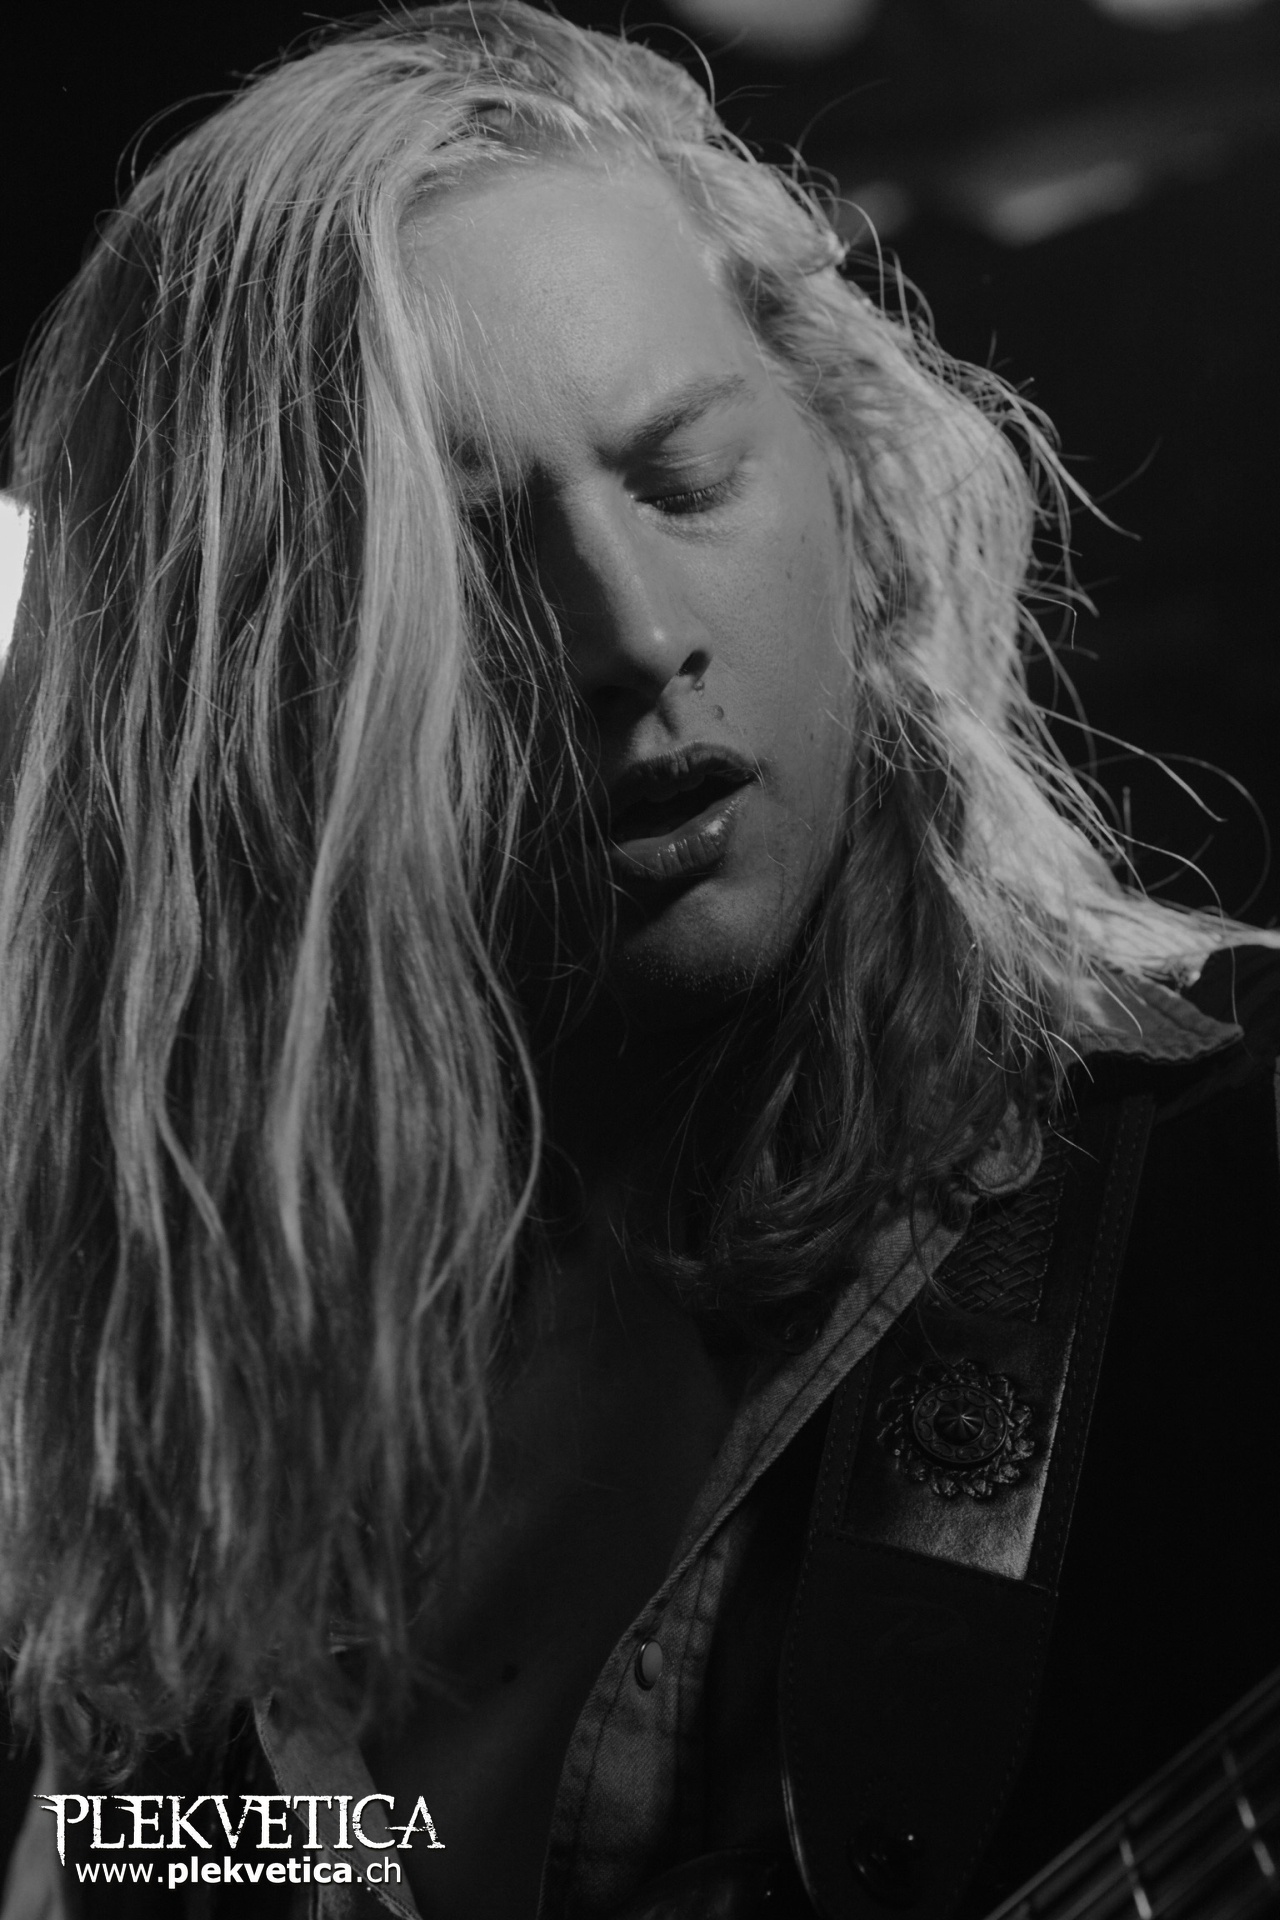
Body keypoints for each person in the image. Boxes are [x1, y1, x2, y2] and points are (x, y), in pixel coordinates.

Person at [1, 6, 1277, 1917]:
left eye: (682, 481)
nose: (628, 631)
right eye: (465, 560)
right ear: (245, 723)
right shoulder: (181, 1462)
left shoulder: (1232, 1190)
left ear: (850, 491)